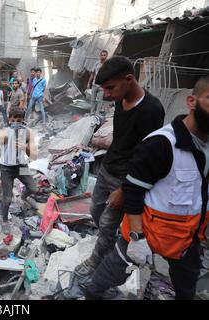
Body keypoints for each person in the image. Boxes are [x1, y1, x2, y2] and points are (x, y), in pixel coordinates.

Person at [85, 76, 209, 300]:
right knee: (99, 286)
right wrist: (137, 237)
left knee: (186, 291)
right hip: (148, 235)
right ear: (192, 101)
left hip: (187, 241)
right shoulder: (162, 144)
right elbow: (132, 191)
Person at [73, 56, 165, 279]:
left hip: (125, 179)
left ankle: (97, 260)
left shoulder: (151, 111)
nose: (107, 94)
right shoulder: (119, 99)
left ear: (129, 79)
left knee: (106, 223)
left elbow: (147, 158)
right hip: (108, 169)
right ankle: (109, 239)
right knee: (95, 211)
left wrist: (125, 190)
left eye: (110, 88)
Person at [0, 108, 38, 234]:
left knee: (33, 188)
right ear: (9, 120)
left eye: (19, 120)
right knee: (7, 198)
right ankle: (4, 220)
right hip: (6, 169)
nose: (15, 122)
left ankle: (23, 197)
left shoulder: (28, 133)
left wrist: (25, 148)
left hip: (21, 166)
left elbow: (34, 156)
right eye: (13, 120)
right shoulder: (4, 133)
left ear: (23, 120)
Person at [88, 50, 109, 115]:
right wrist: (89, 83)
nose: (103, 56)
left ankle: (97, 113)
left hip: (102, 86)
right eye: (102, 55)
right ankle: (92, 112)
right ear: (100, 56)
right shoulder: (96, 63)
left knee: (100, 101)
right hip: (94, 84)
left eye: (104, 55)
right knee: (92, 100)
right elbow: (92, 74)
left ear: (106, 56)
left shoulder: (107, 65)